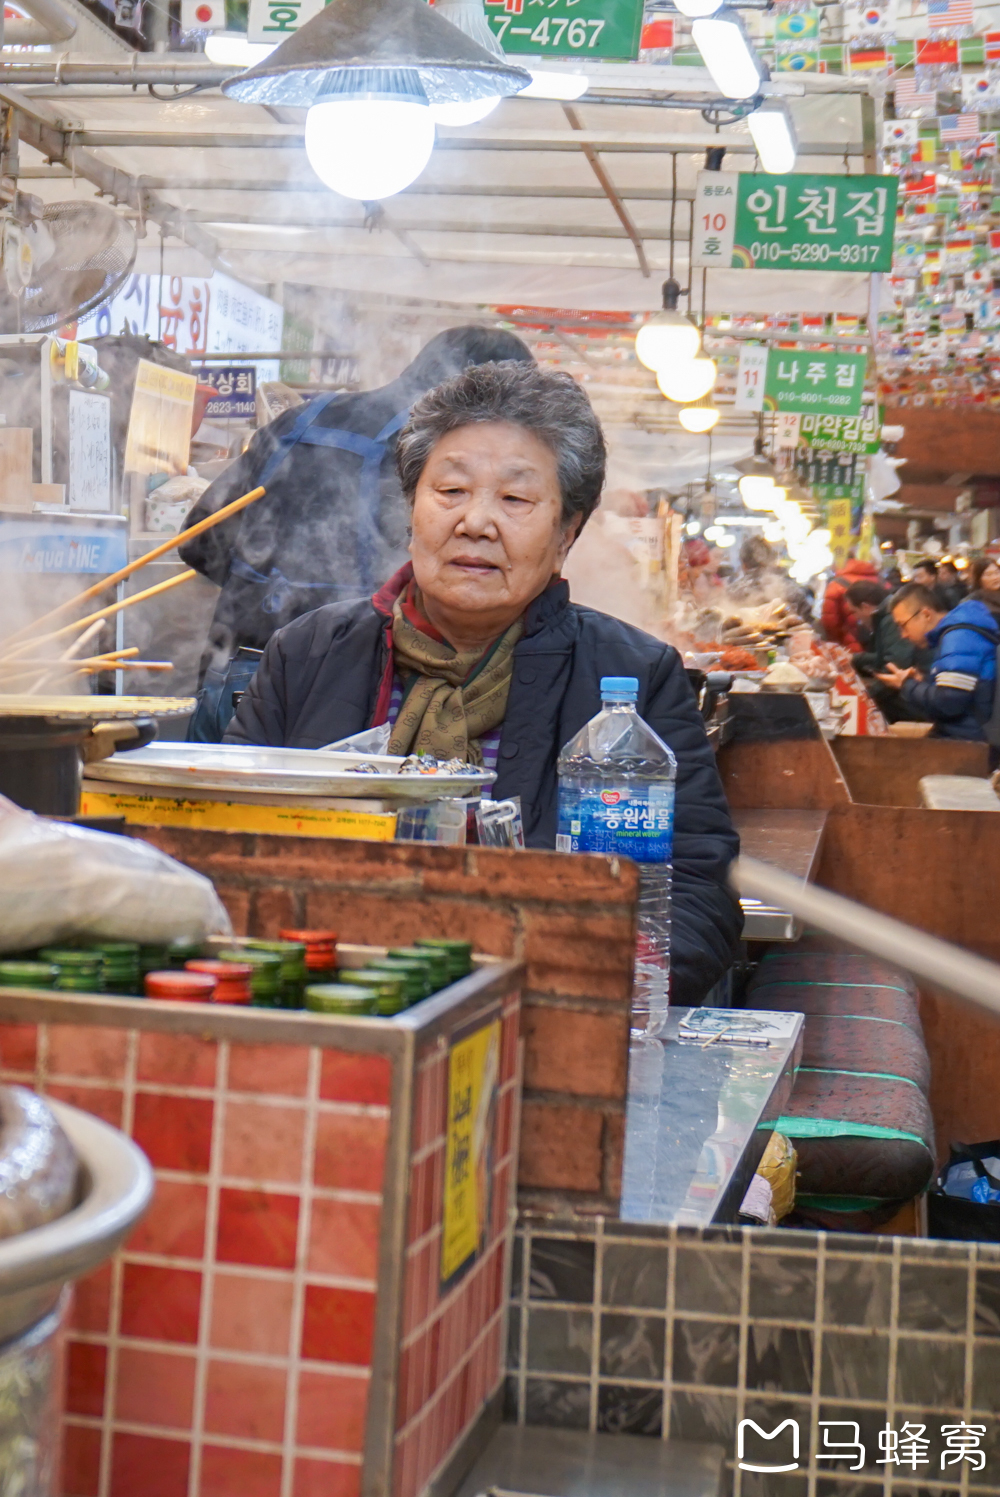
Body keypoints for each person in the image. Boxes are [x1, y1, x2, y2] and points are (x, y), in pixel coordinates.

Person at [228, 360, 742, 1004]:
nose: (476, 522)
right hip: (324, 1002)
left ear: (566, 534)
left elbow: (695, 895)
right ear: (412, 510)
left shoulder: (633, 676)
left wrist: (579, 984)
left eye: (516, 499)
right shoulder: (305, 655)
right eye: (451, 492)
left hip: (540, 1014)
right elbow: (228, 841)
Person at [180, 326, 535, 741]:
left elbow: (199, 540)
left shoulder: (302, 418)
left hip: (233, 673)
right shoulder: (432, 457)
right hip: (340, 689)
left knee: (214, 806)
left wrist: (263, 594)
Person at [876, 582, 999, 744]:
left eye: (903, 625)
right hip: (966, 735)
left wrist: (906, 685)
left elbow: (949, 704)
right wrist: (922, 682)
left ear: (926, 614)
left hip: (971, 743)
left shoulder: (959, 638)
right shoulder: (957, 634)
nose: (903, 635)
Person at [845, 579, 927, 724]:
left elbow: (896, 663)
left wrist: (865, 697)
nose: (856, 619)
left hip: (912, 703)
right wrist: (856, 659)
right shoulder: (885, 616)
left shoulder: (890, 618)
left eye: (854, 612)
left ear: (865, 606)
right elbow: (886, 656)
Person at [729, 535, 811, 618]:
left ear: (743, 564)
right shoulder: (792, 590)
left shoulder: (733, 592)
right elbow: (809, 620)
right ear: (772, 561)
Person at [820, 554, 880, 650]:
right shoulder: (882, 580)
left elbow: (830, 622)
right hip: (882, 644)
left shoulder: (835, 585)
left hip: (853, 647)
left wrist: (837, 645)